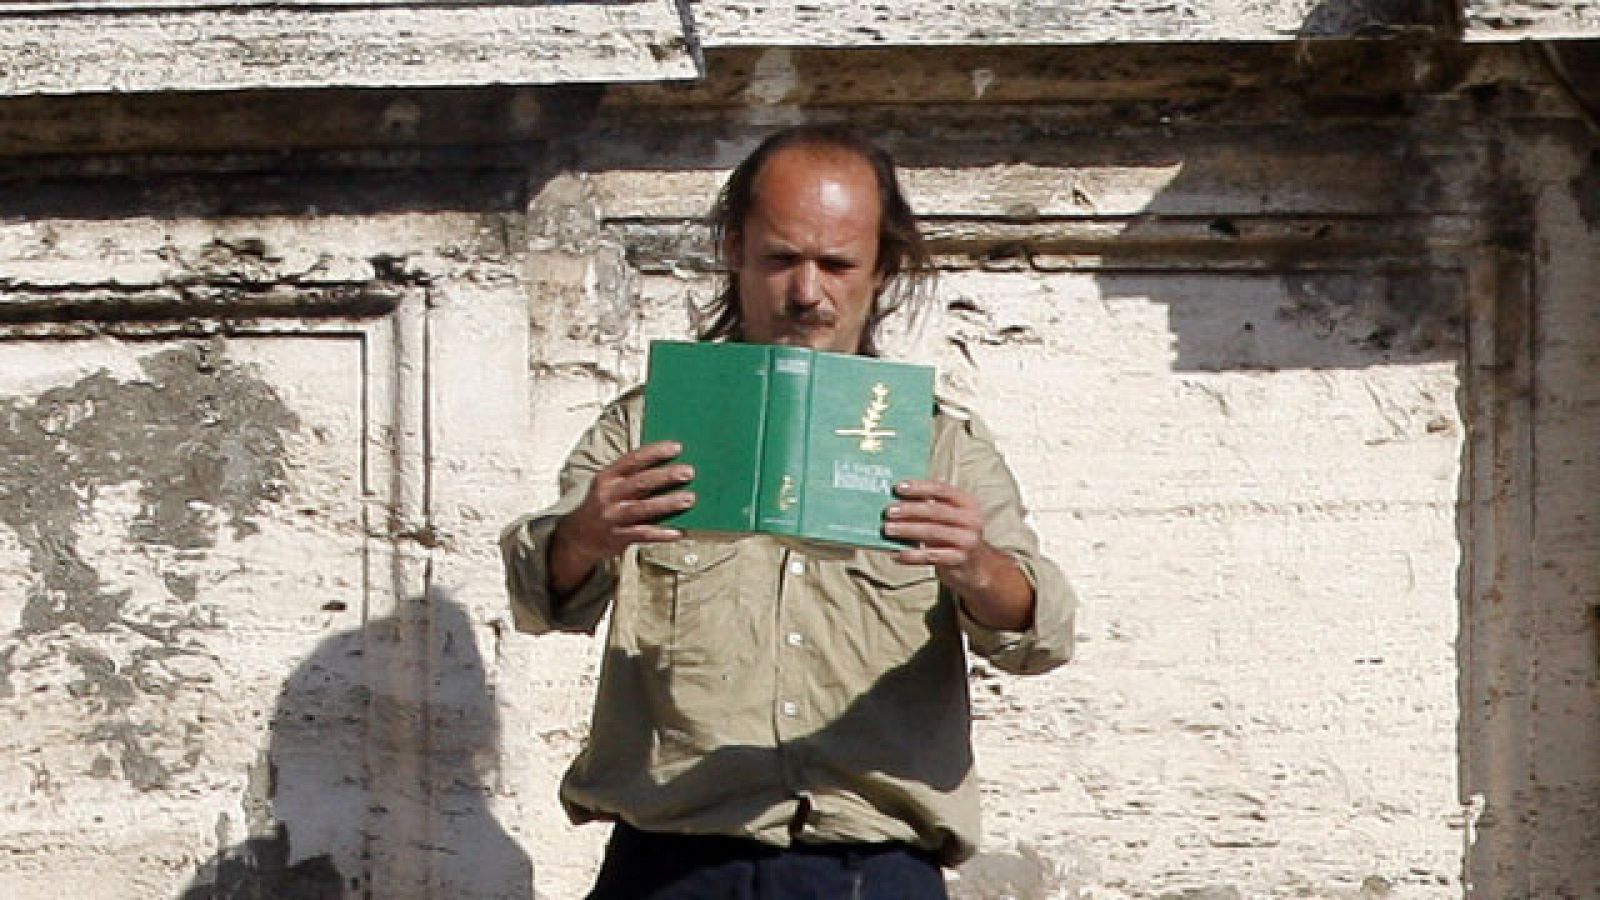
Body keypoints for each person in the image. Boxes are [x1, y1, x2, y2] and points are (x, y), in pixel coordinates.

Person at [501, 124, 1076, 899]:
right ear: (735, 249)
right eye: (781, 260)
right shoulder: (649, 424)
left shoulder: (938, 443)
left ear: (883, 268)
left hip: (872, 870)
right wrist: (582, 535)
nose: (808, 293)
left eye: (837, 264)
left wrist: (975, 565)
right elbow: (541, 598)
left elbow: (1040, 635)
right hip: (674, 864)